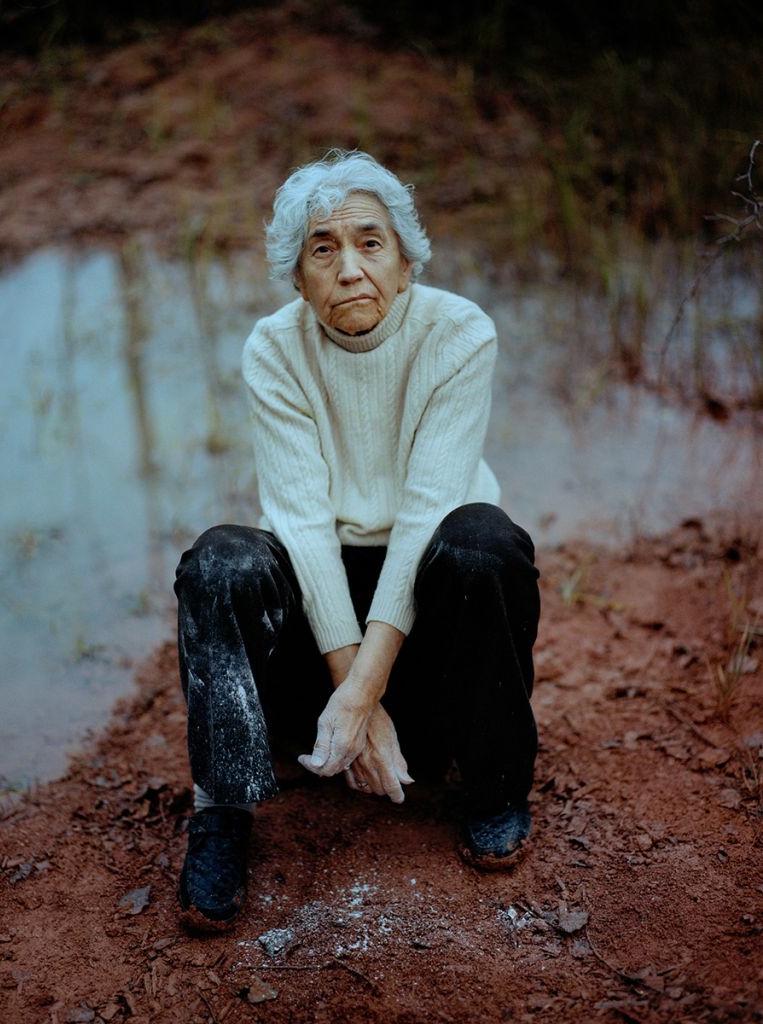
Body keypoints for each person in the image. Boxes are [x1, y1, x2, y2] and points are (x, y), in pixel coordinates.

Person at [174, 150, 540, 930]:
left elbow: (424, 512)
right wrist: (351, 704)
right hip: (319, 639)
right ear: (297, 278)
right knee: (220, 561)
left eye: (370, 244)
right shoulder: (275, 348)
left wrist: (369, 690)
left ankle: (493, 782)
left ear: (406, 263)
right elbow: (301, 525)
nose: (348, 270)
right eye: (322, 248)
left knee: (480, 541)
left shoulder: (458, 332)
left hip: (429, 641)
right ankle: (222, 814)